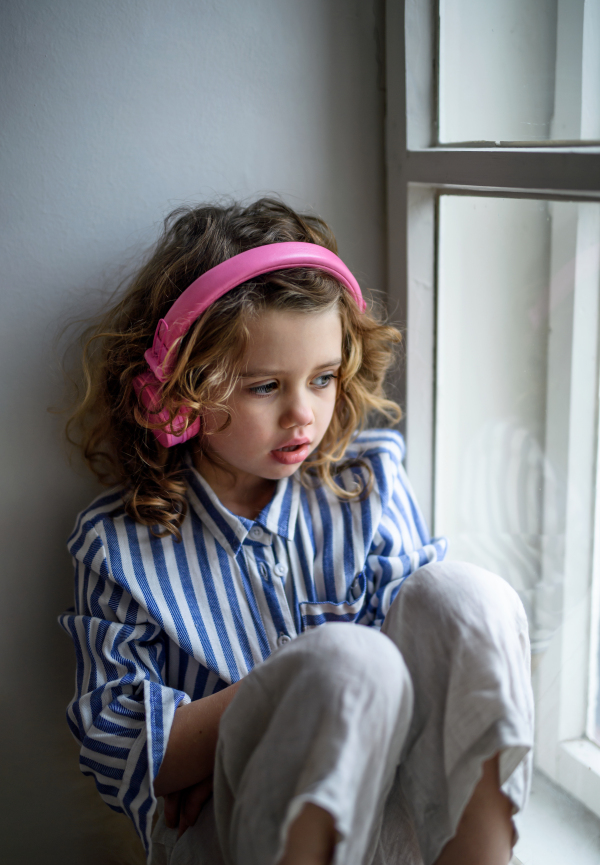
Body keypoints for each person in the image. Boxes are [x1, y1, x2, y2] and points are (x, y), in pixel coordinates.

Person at [59, 198, 534, 865]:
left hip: (396, 815)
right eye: (264, 386)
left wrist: (228, 718)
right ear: (184, 389)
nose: (302, 415)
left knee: (466, 598)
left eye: (322, 378)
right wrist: (276, 697)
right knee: (348, 660)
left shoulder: (367, 481)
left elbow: (434, 657)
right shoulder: (120, 544)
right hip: (241, 835)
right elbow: (120, 743)